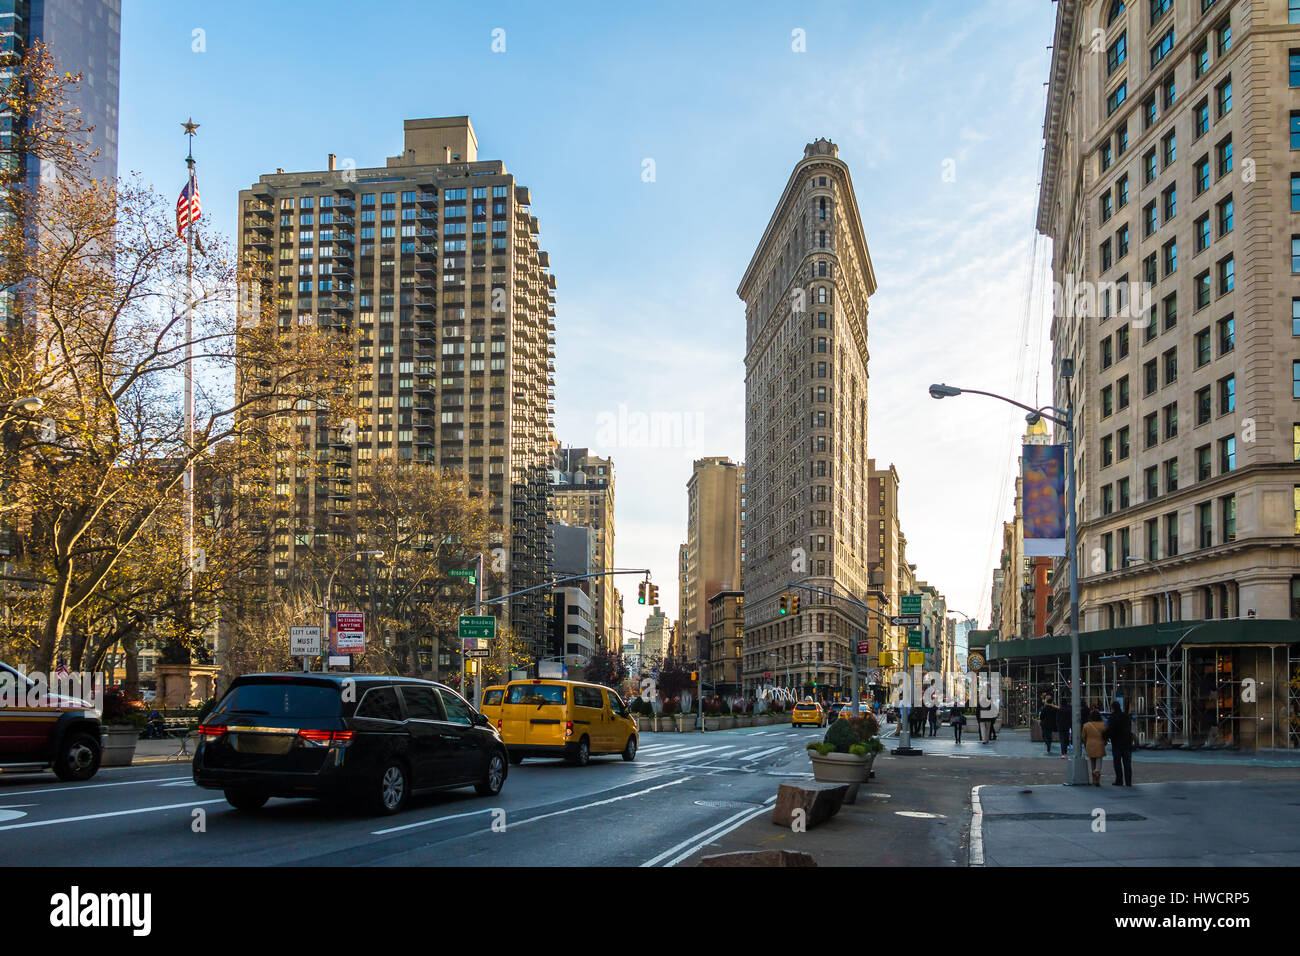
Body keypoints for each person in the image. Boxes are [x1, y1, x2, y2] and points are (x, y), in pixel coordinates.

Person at [1105, 700, 1134, 786]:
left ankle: (1119, 780)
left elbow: (1110, 730)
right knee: (1127, 763)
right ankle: (1128, 781)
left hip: (1117, 743)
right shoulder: (1126, 716)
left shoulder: (1112, 717)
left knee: (1117, 763)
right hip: (1127, 742)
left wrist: (1105, 737)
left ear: (1113, 708)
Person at [1082, 708, 1107, 786]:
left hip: (1090, 745)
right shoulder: (1103, 725)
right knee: (1099, 762)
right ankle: (1097, 778)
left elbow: (1083, 737)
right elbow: (1106, 735)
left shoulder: (1086, 725)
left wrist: (1086, 742)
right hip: (1100, 744)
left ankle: (1093, 779)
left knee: (1092, 762)